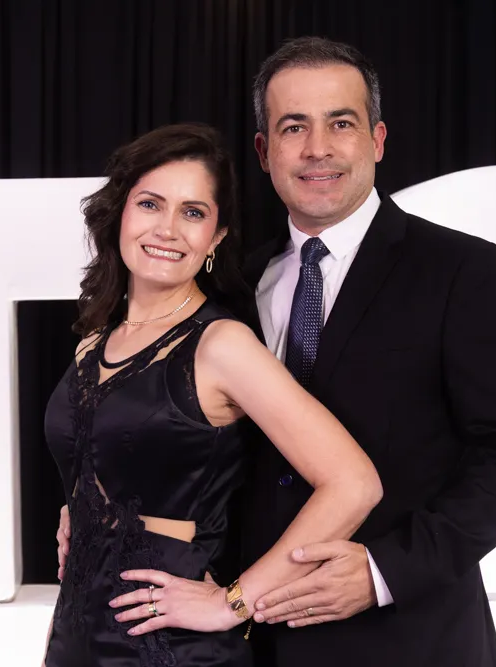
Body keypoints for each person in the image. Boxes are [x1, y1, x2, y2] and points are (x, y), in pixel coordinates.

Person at [58, 38, 496, 666]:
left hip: (408, 637)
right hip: (251, 638)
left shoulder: (457, 269)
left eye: (340, 123)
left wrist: (384, 571)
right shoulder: (236, 283)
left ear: (377, 140)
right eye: (294, 127)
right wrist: (94, 509)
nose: (317, 147)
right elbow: (190, 442)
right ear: (264, 151)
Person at [41, 122, 383, 667]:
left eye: (193, 213)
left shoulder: (222, 345)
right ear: (120, 213)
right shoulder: (93, 343)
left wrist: (233, 603)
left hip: (171, 649)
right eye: (150, 204)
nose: (168, 229)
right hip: (75, 638)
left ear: (216, 237)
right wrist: (80, 511)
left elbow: (353, 483)